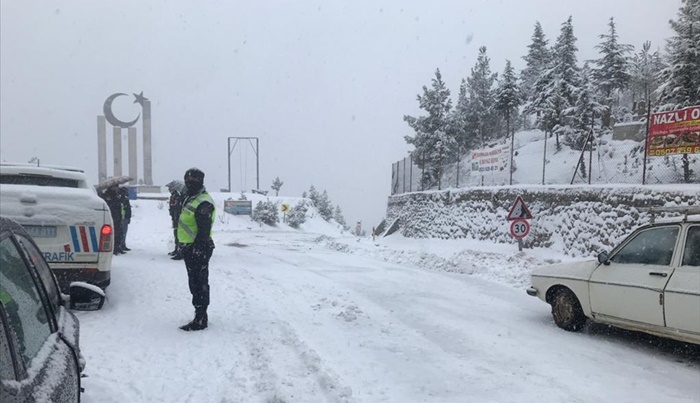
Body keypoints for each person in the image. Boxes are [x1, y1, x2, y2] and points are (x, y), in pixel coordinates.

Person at [177, 168, 215, 331]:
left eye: (193, 180)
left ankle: (200, 318)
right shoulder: (192, 199)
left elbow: (204, 230)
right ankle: (199, 314)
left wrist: (197, 248)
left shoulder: (203, 202)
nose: (189, 183)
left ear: (200, 181)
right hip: (190, 248)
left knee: (199, 284)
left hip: (198, 248)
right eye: (187, 179)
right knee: (195, 283)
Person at [100, 185, 124, 255]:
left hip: (117, 217)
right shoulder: (107, 195)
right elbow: (110, 205)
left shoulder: (117, 195)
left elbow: (119, 205)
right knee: (112, 233)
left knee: (119, 233)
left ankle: (117, 247)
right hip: (111, 216)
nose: (116, 188)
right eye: (115, 187)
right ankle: (113, 248)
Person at [166, 180, 185, 259]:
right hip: (175, 218)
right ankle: (176, 249)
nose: (169, 189)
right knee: (176, 234)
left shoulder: (177, 196)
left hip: (178, 218)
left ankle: (179, 251)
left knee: (178, 235)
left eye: (170, 188)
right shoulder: (173, 196)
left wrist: (176, 217)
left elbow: (177, 208)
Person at [119, 187, 132, 251]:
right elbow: (128, 209)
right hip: (122, 217)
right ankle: (121, 245)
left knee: (123, 232)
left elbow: (128, 209)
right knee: (122, 232)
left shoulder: (124, 199)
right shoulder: (121, 199)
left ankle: (122, 244)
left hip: (124, 217)